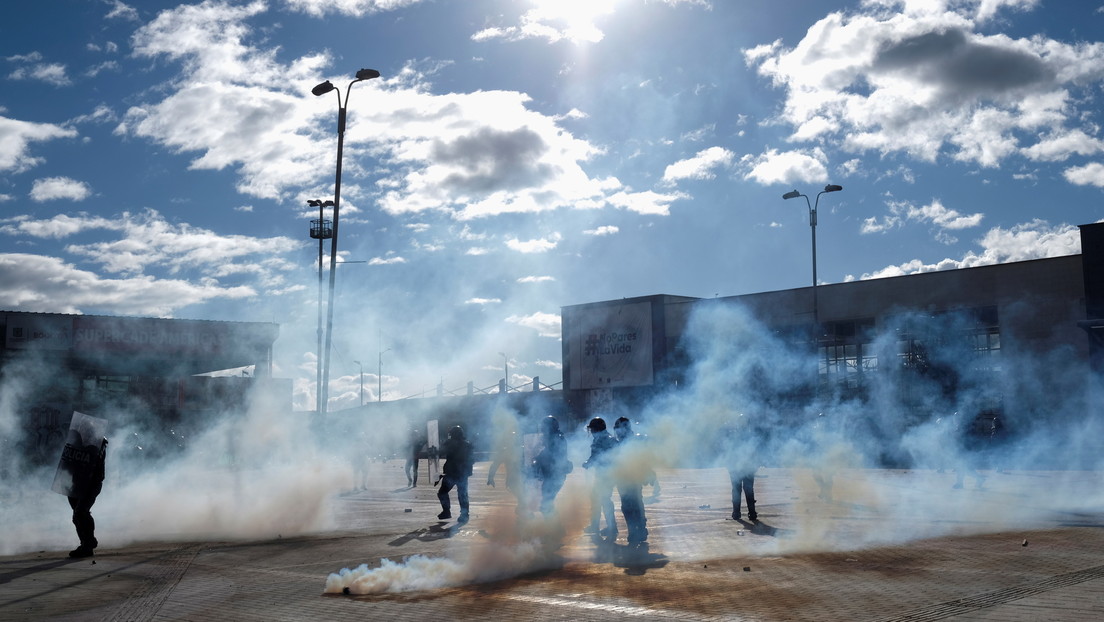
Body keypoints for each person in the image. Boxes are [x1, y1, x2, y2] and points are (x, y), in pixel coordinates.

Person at [68, 436, 108, 558]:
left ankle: (88, 543)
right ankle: (86, 544)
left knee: (81, 512)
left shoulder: (98, 443)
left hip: (91, 483)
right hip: (77, 482)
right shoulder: (77, 441)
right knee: (77, 515)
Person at [613, 417, 648, 543]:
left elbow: (644, 458)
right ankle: (636, 529)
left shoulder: (634, 441)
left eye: (618, 428)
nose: (617, 431)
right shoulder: (618, 442)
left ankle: (639, 528)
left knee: (634, 504)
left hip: (633, 477)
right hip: (622, 477)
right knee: (628, 506)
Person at [583, 417, 617, 537]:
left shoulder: (601, 440)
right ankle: (601, 525)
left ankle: (610, 527)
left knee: (603, 499)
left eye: (592, 429)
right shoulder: (610, 438)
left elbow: (596, 456)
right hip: (609, 474)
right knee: (600, 498)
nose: (591, 431)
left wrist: (587, 463)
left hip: (605, 475)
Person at [531, 415, 572, 516]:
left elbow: (550, 455)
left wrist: (538, 459)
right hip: (551, 475)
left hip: (555, 476)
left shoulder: (557, 439)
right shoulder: (553, 438)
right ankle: (553, 527)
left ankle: (555, 527)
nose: (543, 429)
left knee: (546, 504)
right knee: (546, 503)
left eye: (544, 427)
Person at [437, 425, 474, 523]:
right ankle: (464, 514)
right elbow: (472, 459)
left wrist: (433, 451)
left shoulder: (450, 443)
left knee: (442, 492)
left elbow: (440, 452)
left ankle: (446, 511)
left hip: (452, 473)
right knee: (462, 494)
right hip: (462, 474)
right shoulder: (468, 444)